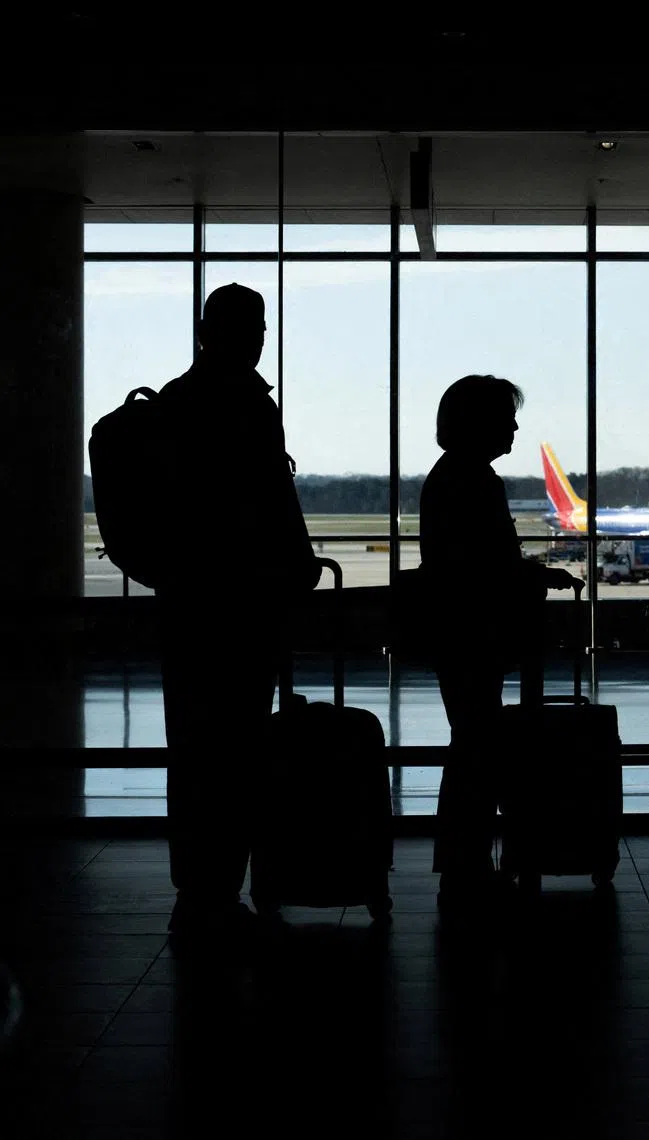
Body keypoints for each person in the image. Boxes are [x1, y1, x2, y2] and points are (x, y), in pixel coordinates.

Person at [157, 283, 320, 953]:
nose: (258, 338)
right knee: (236, 754)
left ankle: (197, 894)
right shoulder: (247, 403)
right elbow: (268, 498)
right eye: (253, 327)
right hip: (242, 607)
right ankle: (223, 892)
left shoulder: (175, 401)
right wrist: (298, 563)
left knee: (194, 753)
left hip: (187, 604)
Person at [419, 374, 578, 911]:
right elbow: (483, 567)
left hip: (455, 632)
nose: (512, 426)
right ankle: (465, 869)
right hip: (472, 635)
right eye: (505, 416)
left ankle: (463, 867)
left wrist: (528, 573)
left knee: (472, 746)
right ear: (479, 422)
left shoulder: (453, 476)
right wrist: (533, 577)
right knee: (475, 749)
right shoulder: (474, 481)